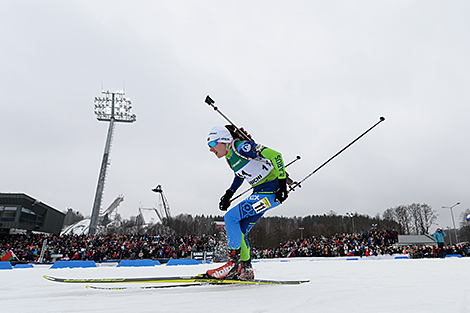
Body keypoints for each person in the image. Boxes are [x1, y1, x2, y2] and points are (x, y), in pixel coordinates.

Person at [205, 125, 288, 280]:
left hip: (271, 193)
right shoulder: (230, 158)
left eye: (212, 144)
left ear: (223, 141)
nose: (210, 149)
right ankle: (246, 269)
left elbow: (276, 155)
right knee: (239, 229)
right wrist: (229, 193)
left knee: (230, 218)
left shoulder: (242, 148)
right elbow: (240, 175)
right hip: (260, 194)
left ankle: (233, 264)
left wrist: (282, 184)